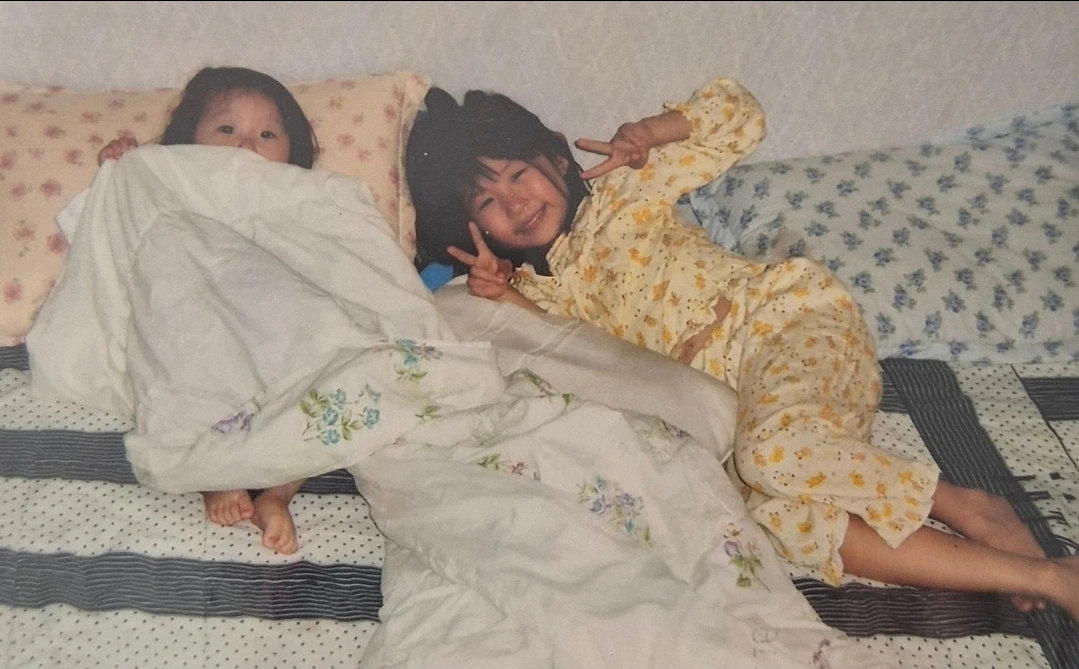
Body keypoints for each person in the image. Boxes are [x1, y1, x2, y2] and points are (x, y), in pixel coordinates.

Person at [405, 76, 1079, 621]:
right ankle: (1040, 576)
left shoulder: (624, 192)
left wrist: (650, 132)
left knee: (768, 456)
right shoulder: (540, 293)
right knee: (780, 518)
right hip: (750, 411)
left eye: (517, 174)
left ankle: (964, 505)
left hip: (786, 326)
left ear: (556, 158)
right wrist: (504, 296)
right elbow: (577, 355)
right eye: (486, 202)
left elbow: (739, 117)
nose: (514, 203)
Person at [97, 66, 320, 555]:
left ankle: (277, 495)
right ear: (186, 140)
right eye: (226, 128)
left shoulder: (303, 200)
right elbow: (116, 237)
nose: (246, 145)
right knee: (183, 377)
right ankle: (214, 478)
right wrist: (124, 173)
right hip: (198, 322)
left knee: (318, 385)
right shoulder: (171, 189)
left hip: (273, 323)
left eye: (267, 134)